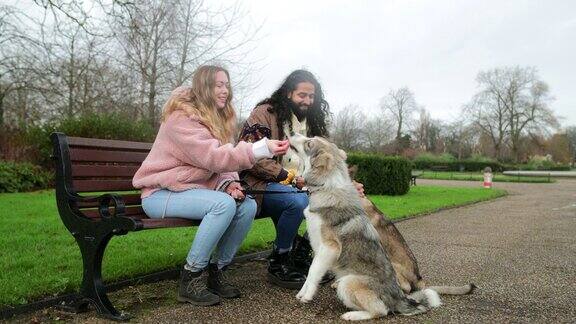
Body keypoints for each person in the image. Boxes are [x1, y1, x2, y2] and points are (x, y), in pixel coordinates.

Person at [132, 65, 289, 306]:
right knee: (222, 206)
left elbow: (223, 166)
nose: (225, 91)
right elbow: (213, 157)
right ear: (204, 88)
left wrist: (231, 184)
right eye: (218, 85)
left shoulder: (215, 120)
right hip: (159, 193)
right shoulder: (181, 119)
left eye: (226, 85)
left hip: (189, 190)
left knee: (245, 205)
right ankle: (191, 276)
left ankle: (218, 270)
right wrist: (261, 148)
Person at [239, 69, 342, 289]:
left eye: (311, 96)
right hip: (261, 185)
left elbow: (327, 159)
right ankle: (280, 261)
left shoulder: (314, 122)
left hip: (302, 185)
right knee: (297, 202)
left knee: (337, 199)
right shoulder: (264, 113)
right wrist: (289, 177)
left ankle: (301, 253)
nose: (307, 101)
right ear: (288, 94)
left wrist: (346, 184)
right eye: (302, 95)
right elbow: (250, 156)